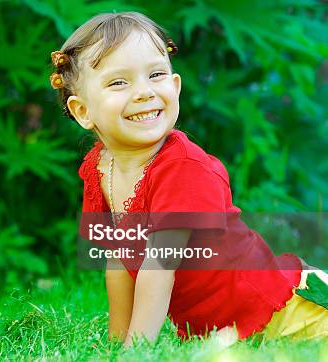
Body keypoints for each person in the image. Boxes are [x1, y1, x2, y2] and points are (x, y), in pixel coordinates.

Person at [49, 12, 327, 346]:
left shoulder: (182, 166)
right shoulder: (98, 169)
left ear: (175, 86)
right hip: (221, 326)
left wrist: (137, 350)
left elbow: (159, 264)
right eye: (118, 82)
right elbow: (119, 261)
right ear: (83, 111)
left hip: (282, 310)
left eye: (156, 74)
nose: (144, 92)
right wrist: (116, 345)